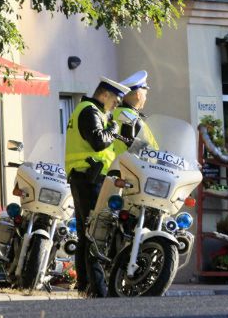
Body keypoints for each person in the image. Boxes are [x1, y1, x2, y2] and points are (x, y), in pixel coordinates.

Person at [65, 77, 130, 297]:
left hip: (86, 178)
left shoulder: (93, 111)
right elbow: (98, 141)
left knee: (87, 234)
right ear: (104, 95)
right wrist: (112, 129)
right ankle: (98, 290)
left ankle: (85, 287)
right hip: (88, 179)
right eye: (115, 99)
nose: (116, 104)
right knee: (95, 233)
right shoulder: (90, 111)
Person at [112, 70, 158, 156]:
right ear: (138, 95)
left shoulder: (114, 112)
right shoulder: (128, 116)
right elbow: (144, 150)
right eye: (145, 95)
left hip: (116, 165)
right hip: (129, 167)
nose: (145, 98)